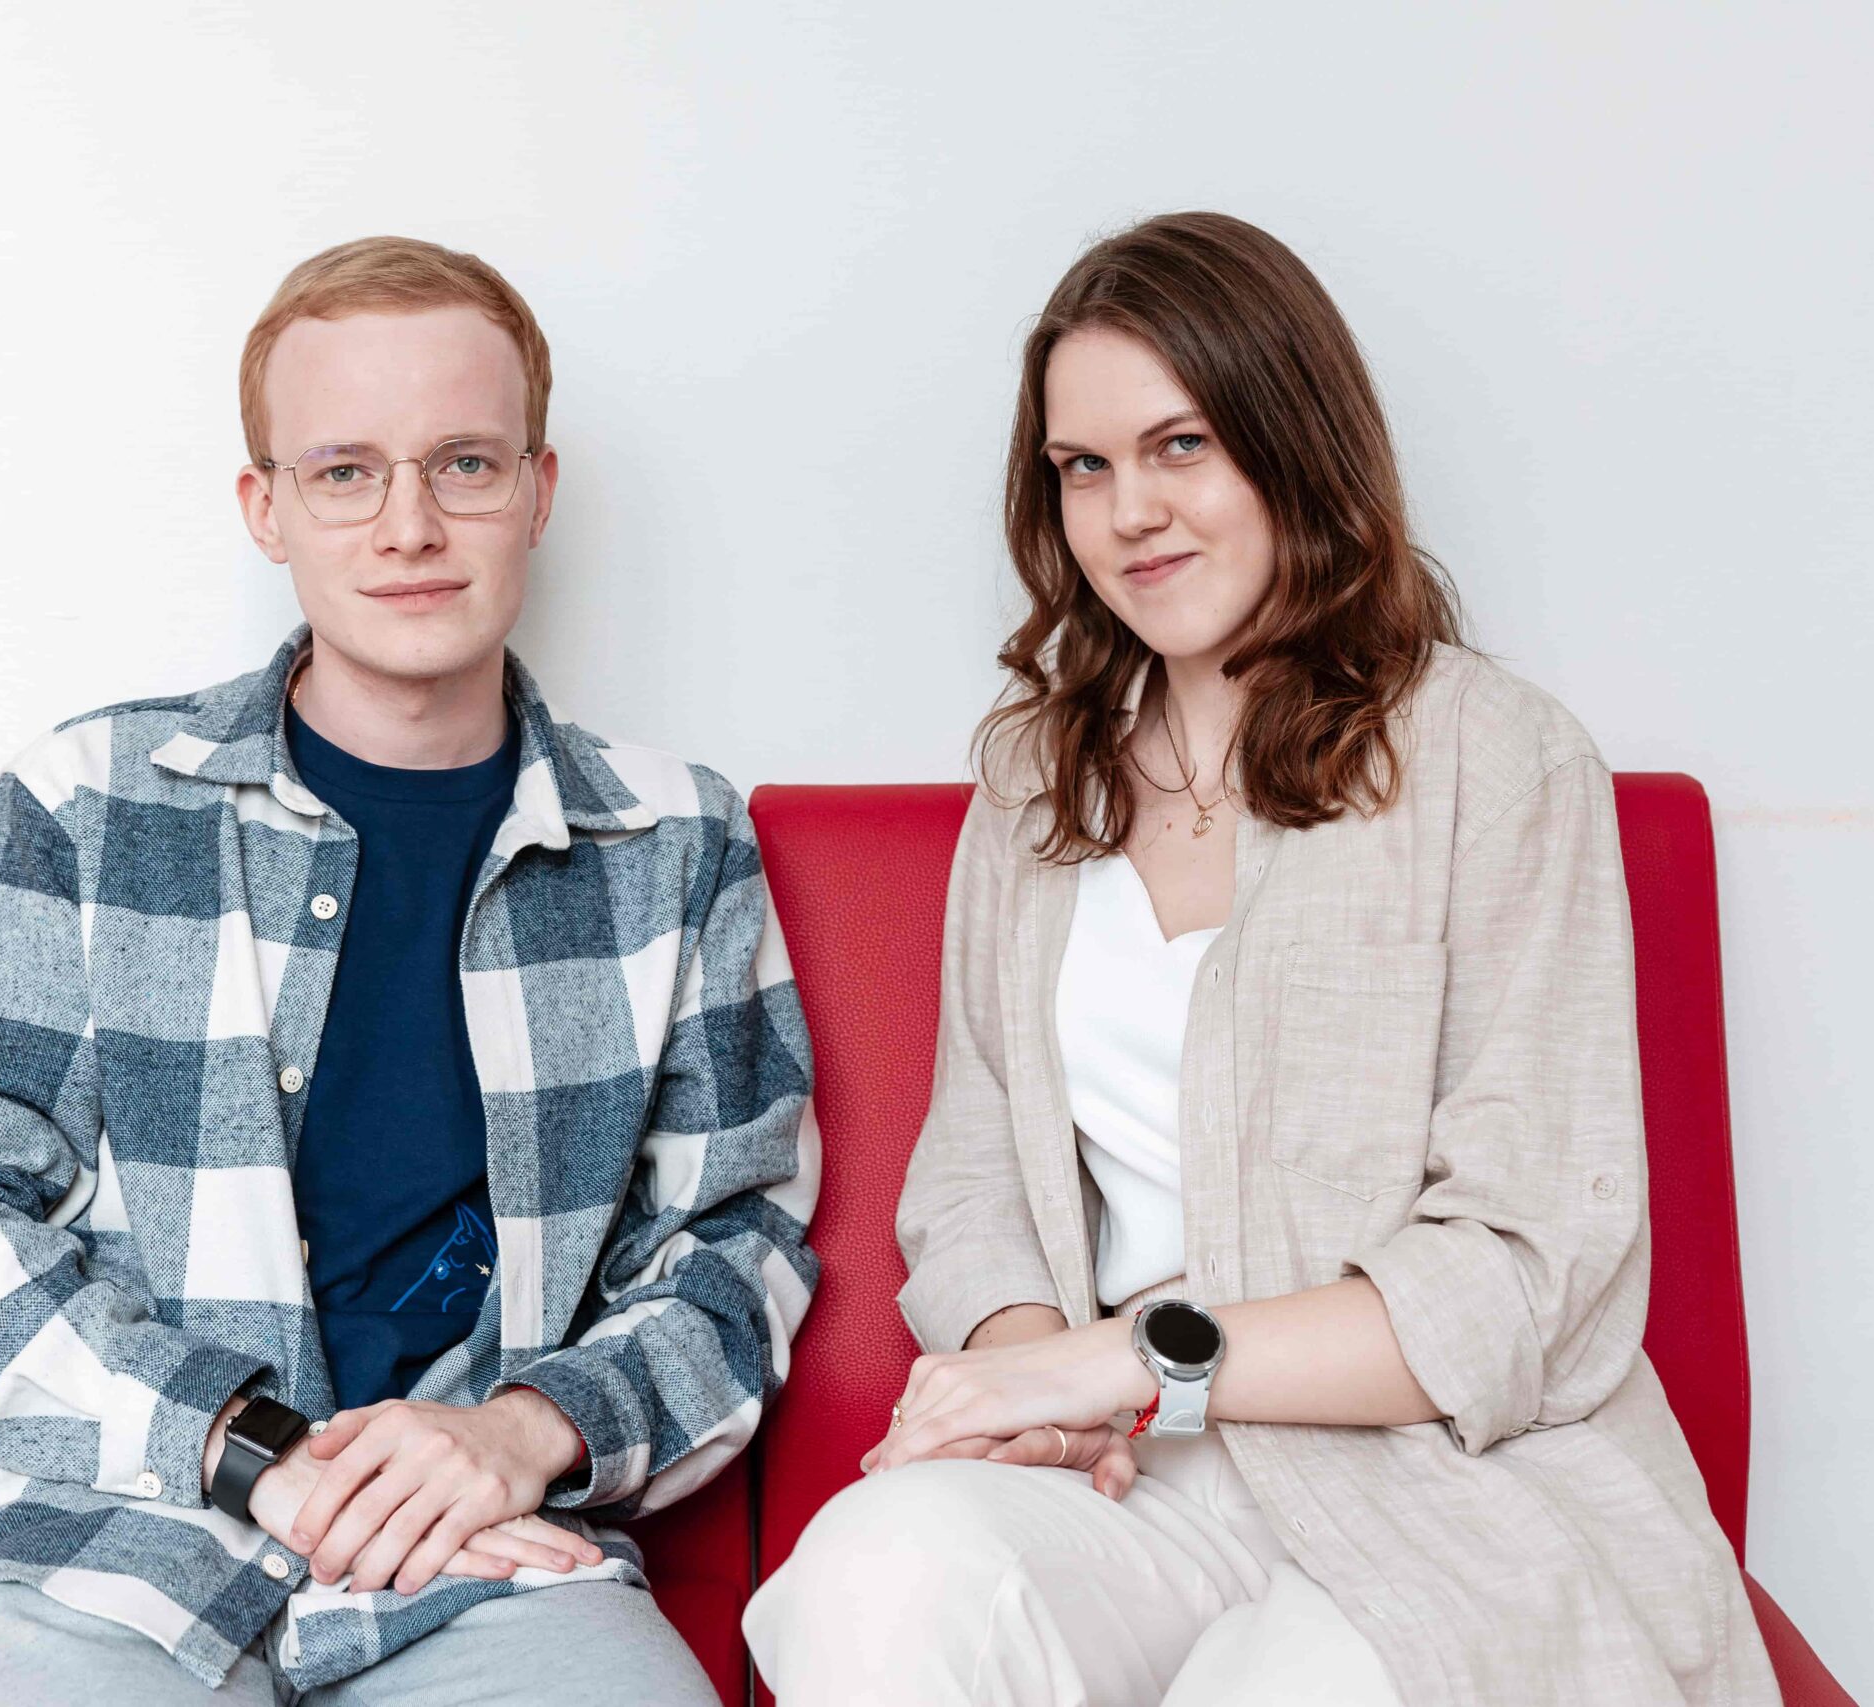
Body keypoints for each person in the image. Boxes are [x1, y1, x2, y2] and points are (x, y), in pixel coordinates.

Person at [743, 212, 1783, 1706]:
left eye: (1182, 445)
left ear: (1295, 442)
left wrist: (1125, 1359)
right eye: (1083, 466)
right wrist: (1042, 1388)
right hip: (1133, 1479)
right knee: (875, 1577)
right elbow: (973, 1181)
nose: (1130, 513)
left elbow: (1524, 1270)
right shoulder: (1036, 783)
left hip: (1447, 1482)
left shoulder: (1498, 761)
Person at [0, 235, 820, 1704]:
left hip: (477, 1545)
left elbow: (736, 1248)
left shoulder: (677, 841)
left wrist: (522, 1434)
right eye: (345, 473)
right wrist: (253, 1453)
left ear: (539, 492)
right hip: (104, 1534)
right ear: (268, 509)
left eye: (465, 465)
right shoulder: (84, 799)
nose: (409, 527)